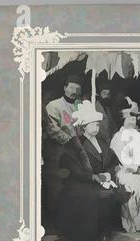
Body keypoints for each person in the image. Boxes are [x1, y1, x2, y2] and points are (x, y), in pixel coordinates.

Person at [55, 101, 127, 241]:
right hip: (82, 181)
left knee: (116, 192)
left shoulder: (103, 142)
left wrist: (108, 174)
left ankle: (105, 229)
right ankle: (92, 234)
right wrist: (96, 177)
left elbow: (113, 162)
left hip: (102, 179)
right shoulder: (76, 143)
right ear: (84, 127)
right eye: (93, 124)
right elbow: (75, 168)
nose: (96, 127)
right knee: (91, 196)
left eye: (98, 124)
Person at [43, 74, 84, 223]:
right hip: (59, 151)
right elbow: (52, 128)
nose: (74, 91)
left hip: (78, 151)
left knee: (75, 184)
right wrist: (70, 141)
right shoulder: (54, 106)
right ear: (65, 88)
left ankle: (72, 220)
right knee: (58, 185)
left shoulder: (81, 105)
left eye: (77, 88)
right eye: (71, 87)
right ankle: (56, 222)